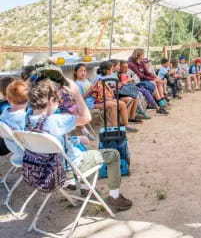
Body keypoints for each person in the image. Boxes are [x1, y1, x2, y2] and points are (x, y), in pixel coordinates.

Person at [28, 78, 132, 210]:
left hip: (42, 171)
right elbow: (86, 118)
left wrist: (75, 139)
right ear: (51, 101)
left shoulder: (28, 118)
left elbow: (53, 140)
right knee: (113, 154)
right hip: (65, 171)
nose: (59, 103)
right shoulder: (56, 120)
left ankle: (84, 188)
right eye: (57, 100)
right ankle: (115, 197)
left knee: (82, 146)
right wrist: (77, 94)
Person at [89, 61, 138, 133]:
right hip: (100, 99)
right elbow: (97, 92)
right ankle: (114, 128)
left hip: (110, 96)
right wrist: (110, 95)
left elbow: (111, 88)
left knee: (122, 104)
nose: (112, 71)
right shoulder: (98, 78)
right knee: (115, 105)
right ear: (107, 70)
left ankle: (126, 125)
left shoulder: (113, 75)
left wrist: (118, 86)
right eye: (111, 69)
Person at [0, 80, 29, 165]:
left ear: (8, 99)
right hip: (27, 153)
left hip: (14, 150)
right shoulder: (25, 118)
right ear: (28, 99)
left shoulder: (4, 114)